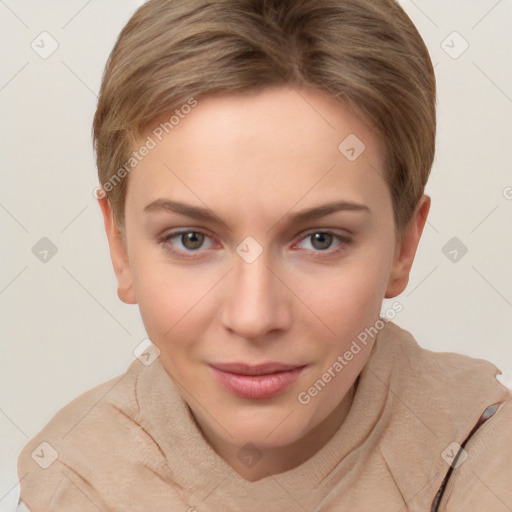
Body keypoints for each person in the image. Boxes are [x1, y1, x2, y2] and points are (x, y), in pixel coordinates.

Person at [16, 0, 512, 510]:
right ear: (120, 247)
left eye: (321, 239)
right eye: (191, 239)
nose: (254, 318)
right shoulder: (75, 478)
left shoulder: (483, 451)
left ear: (404, 245)